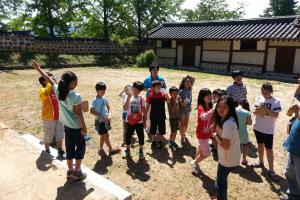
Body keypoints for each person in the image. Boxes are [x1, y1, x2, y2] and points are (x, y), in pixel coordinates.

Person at [32, 60, 87, 181]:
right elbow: (79, 114)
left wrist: (38, 68)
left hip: (67, 126)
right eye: (76, 80)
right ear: (72, 82)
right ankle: (77, 172)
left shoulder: (57, 90)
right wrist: (84, 128)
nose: (77, 82)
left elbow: (47, 78)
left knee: (70, 147)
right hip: (76, 127)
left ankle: (70, 171)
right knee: (81, 148)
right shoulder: (76, 96)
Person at [251, 82, 282, 182]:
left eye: (266, 92)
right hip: (258, 127)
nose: (264, 94)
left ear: (271, 91)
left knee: (269, 149)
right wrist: (257, 111)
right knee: (260, 145)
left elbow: (276, 115)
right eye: (263, 92)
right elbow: (255, 111)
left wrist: (267, 110)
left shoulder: (276, 101)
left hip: (268, 130)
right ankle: (260, 162)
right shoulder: (259, 98)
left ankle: (271, 170)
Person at [212, 95, 240, 200]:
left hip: (227, 158)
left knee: (219, 182)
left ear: (230, 108)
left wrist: (215, 136)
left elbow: (225, 145)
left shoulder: (228, 123)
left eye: (224, 107)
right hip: (231, 156)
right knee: (222, 180)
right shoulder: (229, 119)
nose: (221, 109)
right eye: (219, 106)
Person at [90, 82, 121, 158]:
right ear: (97, 91)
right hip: (99, 122)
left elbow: (108, 108)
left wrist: (109, 115)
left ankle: (101, 149)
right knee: (106, 135)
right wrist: (101, 116)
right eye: (101, 91)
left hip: (106, 121)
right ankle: (110, 149)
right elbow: (91, 111)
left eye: (104, 90)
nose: (103, 92)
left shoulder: (105, 99)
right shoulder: (94, 100)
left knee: (103, 136)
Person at [281, 81, 300, 200]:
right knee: (291, 174)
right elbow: (296, 96)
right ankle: (293, 195)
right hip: (294, 145)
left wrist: (297, 110)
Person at [38, 73, 65, 157]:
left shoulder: (56, 89)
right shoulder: (42, 90)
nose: (53, 78)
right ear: (44, 81)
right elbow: (45, 95)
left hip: (59, 117)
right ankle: (47, 149)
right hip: (49, 118)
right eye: (49, 77)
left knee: (60, 134)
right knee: (48, 135)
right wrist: (51, 83)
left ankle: (60, 150)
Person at [191, 88, 214, 175]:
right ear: (202, 97)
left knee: (200, 147)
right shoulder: (201, 107)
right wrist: (213, 109)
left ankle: (195, 163)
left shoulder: (210, 106)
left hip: (207, 132)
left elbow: (211, 118)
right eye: (207, 95)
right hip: (201, 133)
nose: (210, 96)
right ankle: (194, 162)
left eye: (210, 94)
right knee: (207, 153)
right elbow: (203, 117)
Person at [122, 81, 146, 159]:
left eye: (138, 90)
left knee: (141, 136)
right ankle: (127, 150)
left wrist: (144, 121)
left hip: (139, 121)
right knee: (127, 136)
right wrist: (129, 97)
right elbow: (125, 108)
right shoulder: (127, 96)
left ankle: (141, 150)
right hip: (129, 121)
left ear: (140, 91)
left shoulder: (142, 98)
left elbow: (144, 110)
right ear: (132, 88)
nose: (135, 90)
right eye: (134, 88)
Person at [145, 80, 169, 149]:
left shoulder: (163, 95)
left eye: (160, 86)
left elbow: (169, 102)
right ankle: (153, 141)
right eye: (157, 86)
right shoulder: (150, 95)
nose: (158, 87)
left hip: (161, 115)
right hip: (153, 115)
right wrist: (145, 115)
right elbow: (147, 106)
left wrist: (167, 97)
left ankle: (161, 141)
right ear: (153, 87)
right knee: (153, 128)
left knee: (161, 129)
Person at [178, 75, 195, 145]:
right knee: (182, 123)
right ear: (183, 83)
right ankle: (182, 137)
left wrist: (187, 77)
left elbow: (193, 79)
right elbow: (179, 100)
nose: (188, 83)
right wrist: (182, 103)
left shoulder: (190, 89)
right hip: (182, 109)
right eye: (186, 81)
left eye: (189, 82)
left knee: (186, 123)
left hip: (188, 109)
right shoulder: (181, 91)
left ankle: (184, 133)